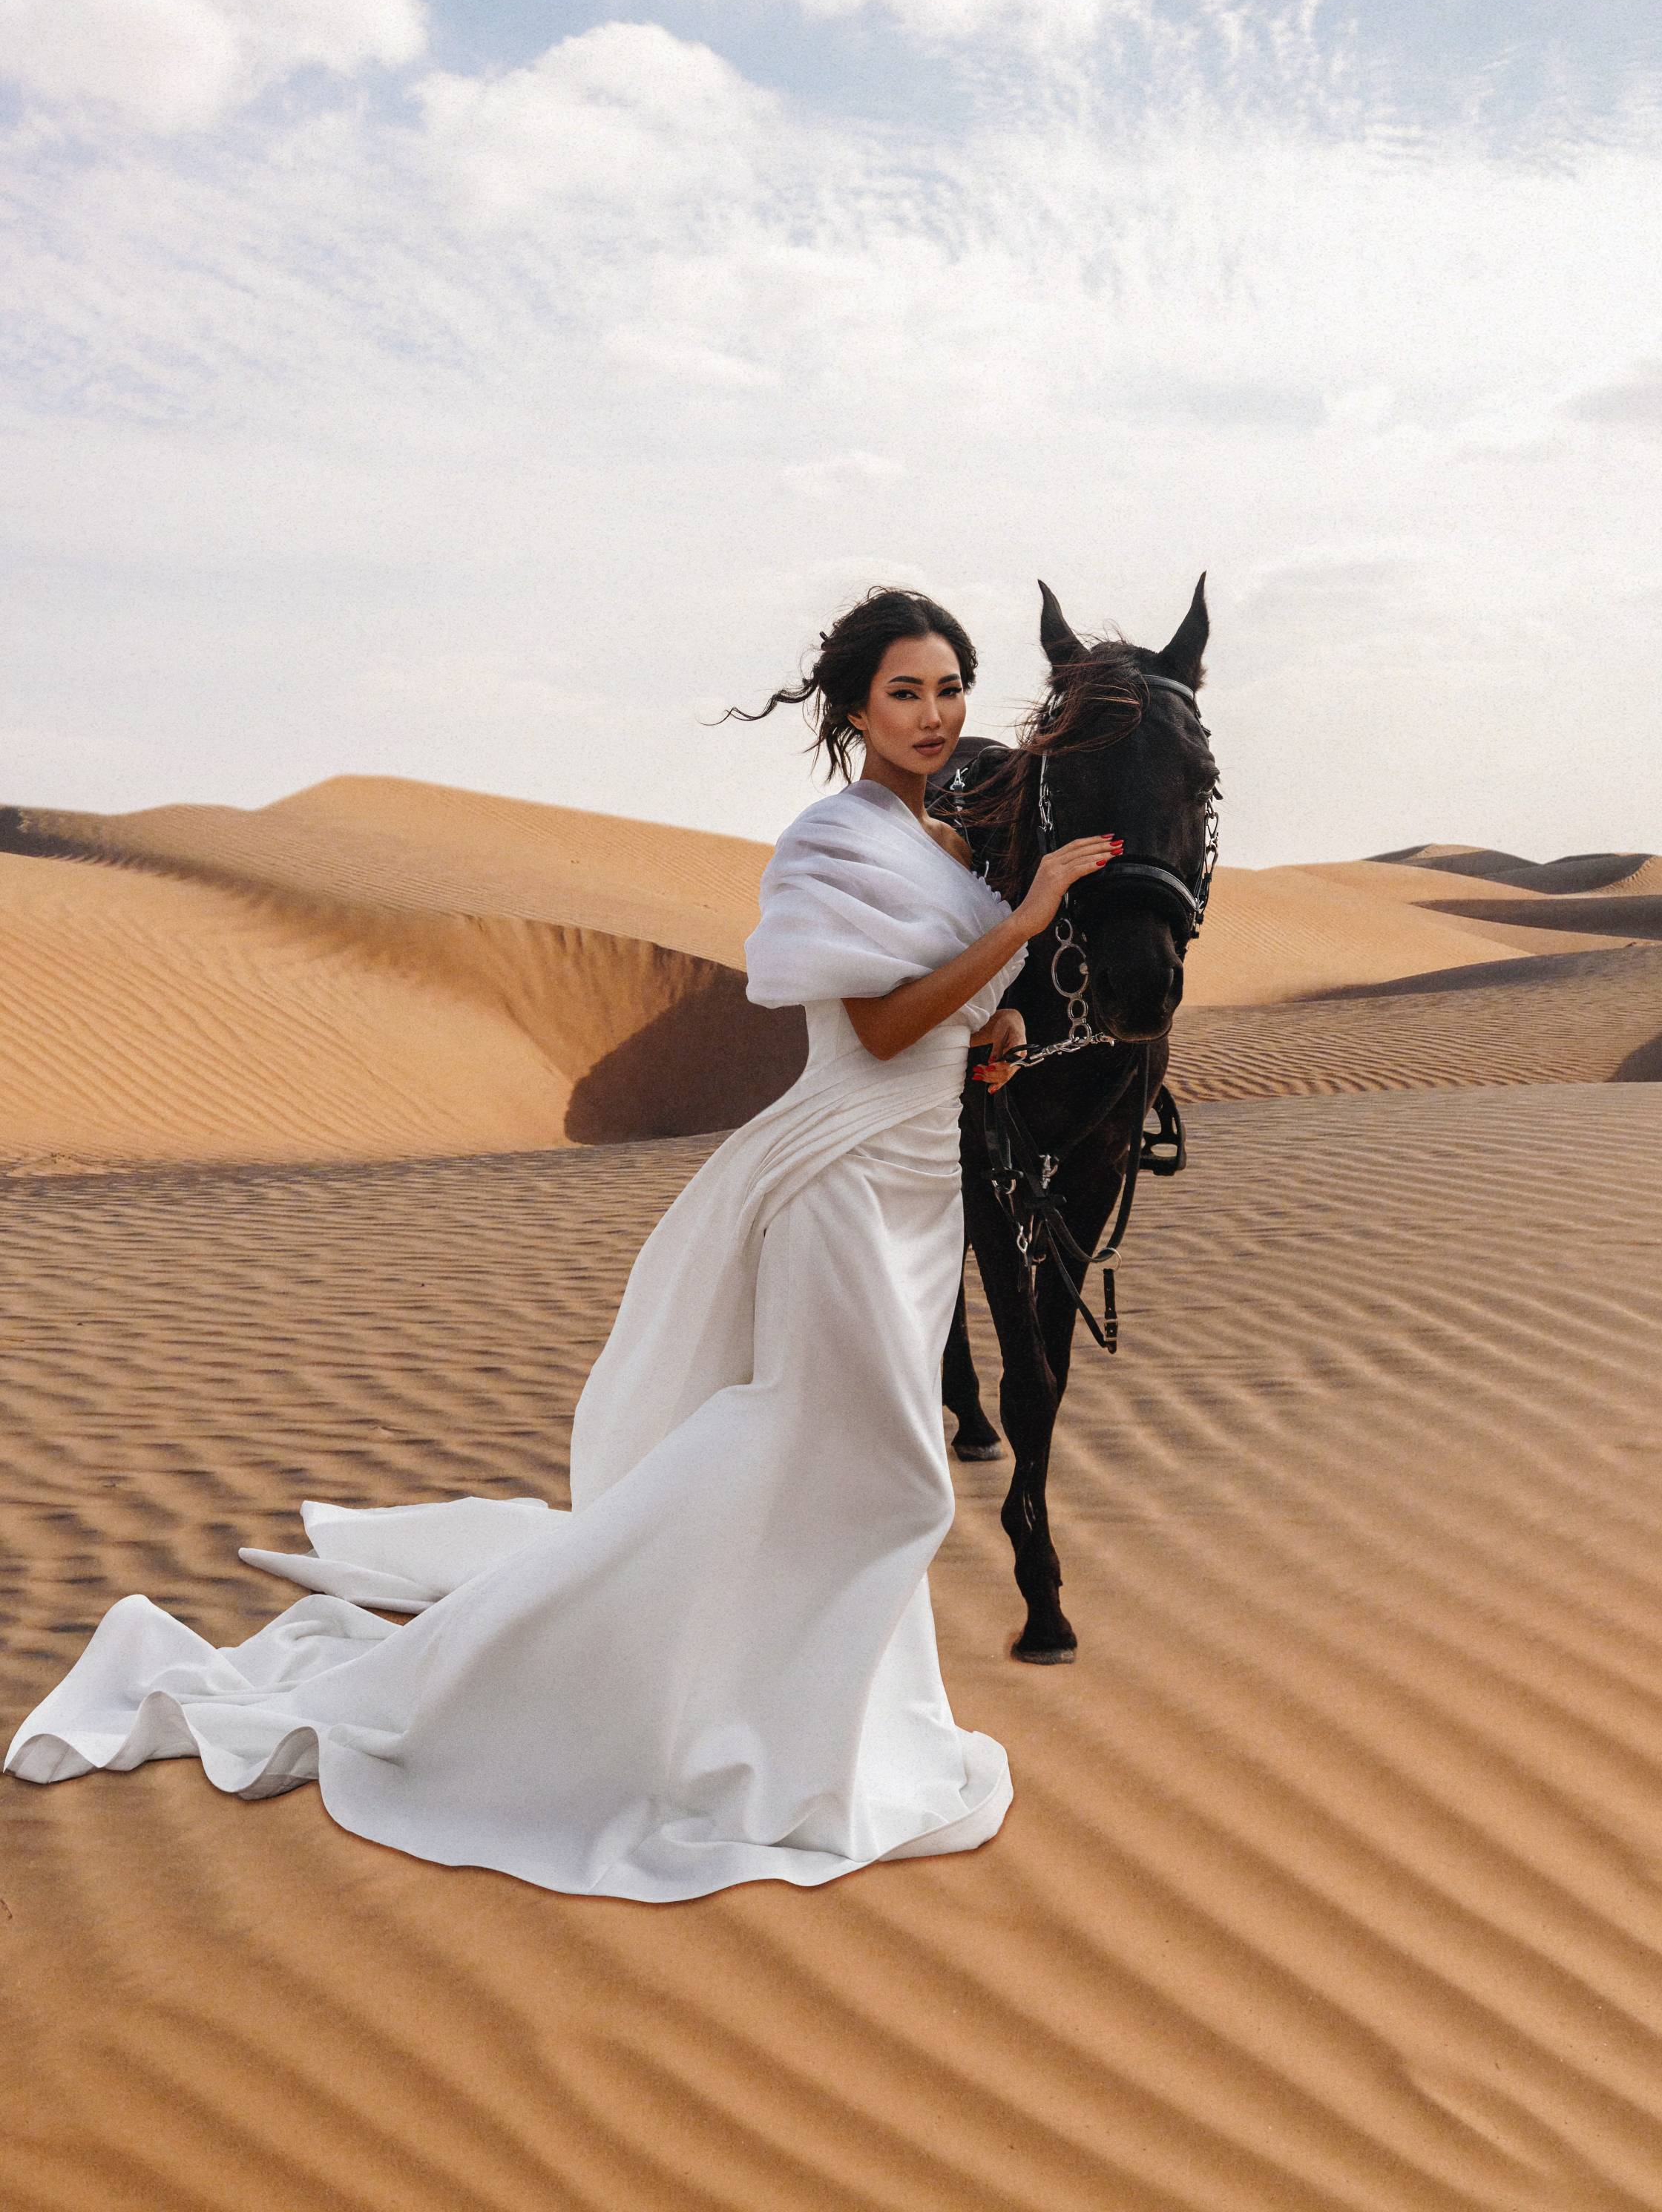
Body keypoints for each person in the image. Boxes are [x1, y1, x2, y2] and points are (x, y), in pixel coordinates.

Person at [5, 588, 1120, 1902]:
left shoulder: (940, 849)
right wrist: (1029, 917)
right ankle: (671, 1711)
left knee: (832, 1459)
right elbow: (872, 1032)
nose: (933, 719)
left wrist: (986, 1041)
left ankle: (779, 1723)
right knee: (890, 1469)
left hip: (919, 1183)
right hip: (834, 1184)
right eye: (904, 695)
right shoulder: (827, 843)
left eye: (947, 692)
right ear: (850, 709)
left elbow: (936, 1026)